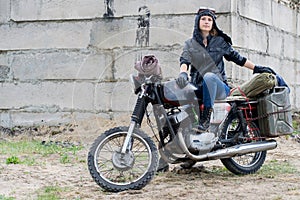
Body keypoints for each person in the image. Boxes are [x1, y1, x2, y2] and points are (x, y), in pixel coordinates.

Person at [176, 7, 274, 132]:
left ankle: (205, 120)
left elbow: (238, 59)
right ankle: (184, 126)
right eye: (203, 19)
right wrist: (183, 74)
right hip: (199, 87)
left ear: (213, 23)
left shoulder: (220, 42)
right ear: (197, 21)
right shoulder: (190, 44)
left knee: (209, 76)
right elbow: (185, 60)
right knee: (178, 88)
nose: (206, 22)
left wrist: (256, 68)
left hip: (220, 88)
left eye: (209, 20)